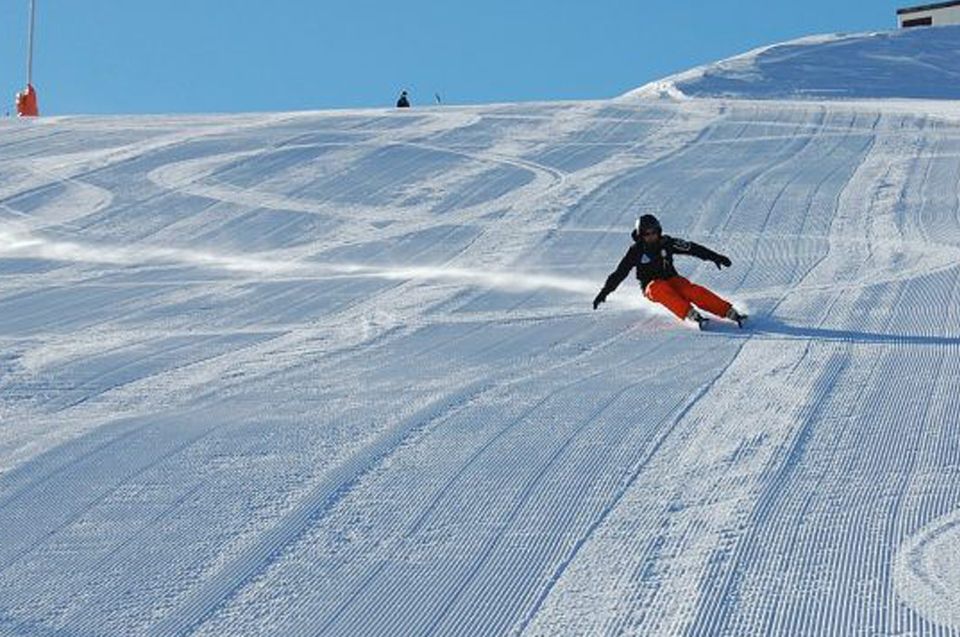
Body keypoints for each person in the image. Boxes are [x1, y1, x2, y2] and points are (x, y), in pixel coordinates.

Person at [592, 214, 747, 329]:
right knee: (659, 288)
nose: (651, 236)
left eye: (654, 232)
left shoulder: (667, 243)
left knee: (691, 290)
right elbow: (620, 273)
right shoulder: (636, 251)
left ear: (659, 231)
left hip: (672, 279)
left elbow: (692, 248)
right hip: (650, 285)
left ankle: (729, 312)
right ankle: (691, 314)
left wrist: (715, 257)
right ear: (640, 235)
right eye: (647, 234)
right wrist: (604, 292)